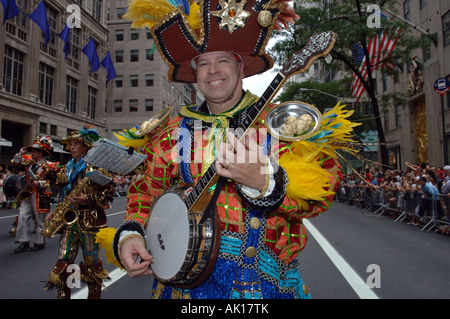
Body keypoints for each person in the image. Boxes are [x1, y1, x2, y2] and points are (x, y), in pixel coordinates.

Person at [97, 0, 358, 299]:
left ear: (241, 66)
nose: (212, 71)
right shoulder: (171, 133)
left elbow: (323, 190)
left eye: (222, 60)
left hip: (262, 289)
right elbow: (147, 190)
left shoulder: (282, 124)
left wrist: (265, 183)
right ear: (194, 74)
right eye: (203, 63)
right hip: (182, 291)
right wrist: (131, 234)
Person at [43, 126, 115, 299]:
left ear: (86, 147)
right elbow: (63, 193)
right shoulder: (66, 168)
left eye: (76, 144)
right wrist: (55, 211)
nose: (72, 147)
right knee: (64, 262)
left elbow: (109, 195)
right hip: (69, 221)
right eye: (71, 144)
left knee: (91, 264)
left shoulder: (97, 168)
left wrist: (87, 199)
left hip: (90, 222)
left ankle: (93, 296)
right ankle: (64, 295)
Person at [11, 136, 57, 253]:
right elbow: (16, 164)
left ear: (41, 153)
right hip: (28, 194)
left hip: (40, 195)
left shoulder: (49, 165)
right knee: (22, 216)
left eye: (34, 151)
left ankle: (39, 242)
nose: (32, 153)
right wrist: (20, 153)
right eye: (31, 151)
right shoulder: (29, 163)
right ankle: (24, 242)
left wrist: (39, 183)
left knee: (39, 220)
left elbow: (52, 181)